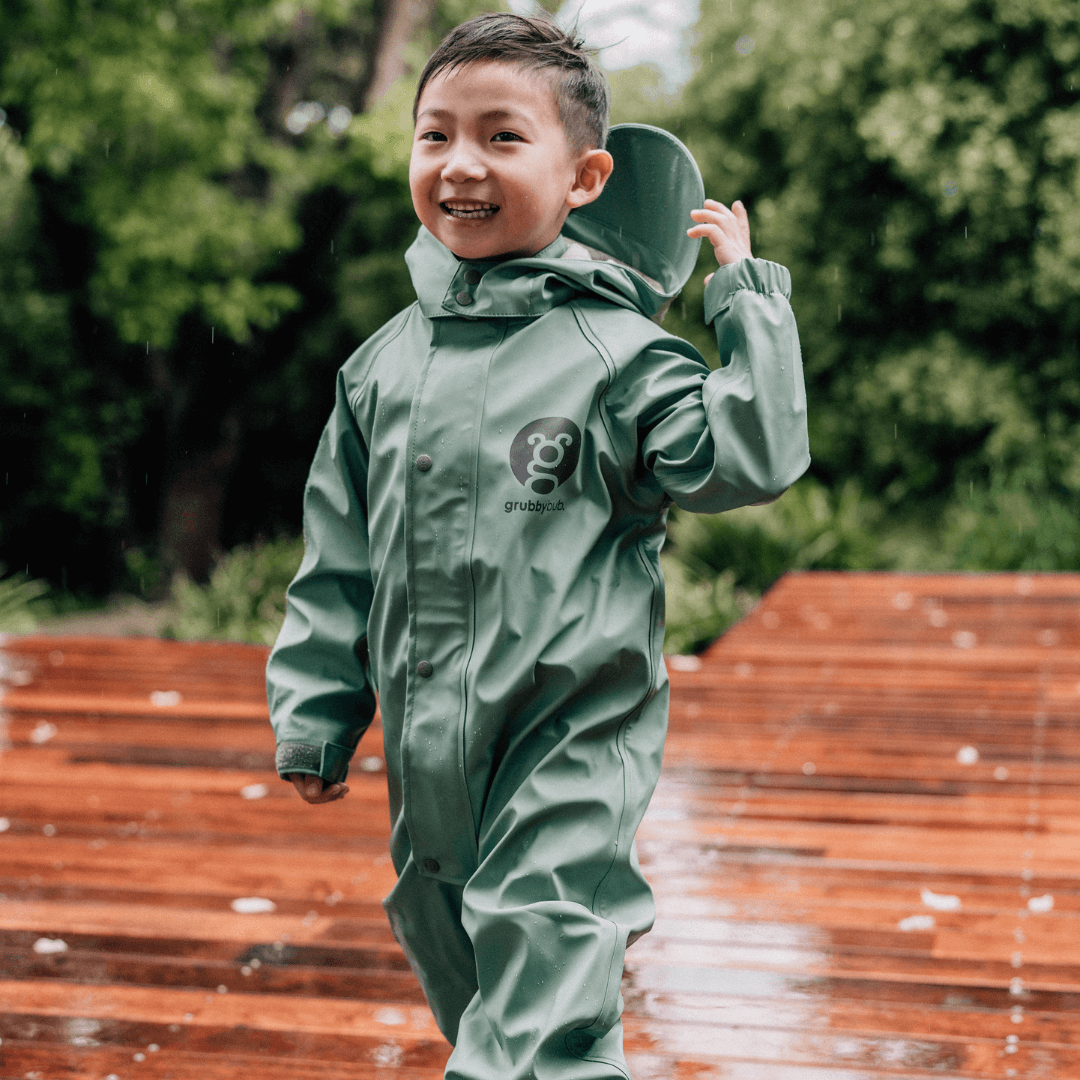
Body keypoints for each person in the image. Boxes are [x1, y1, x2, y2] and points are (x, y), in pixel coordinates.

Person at [266, 12, 809, 1080]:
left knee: (538, 993)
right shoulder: (382, 370)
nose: (461, 164)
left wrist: (746, 299)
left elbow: (748, 457)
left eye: (503, 137)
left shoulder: (621, 357)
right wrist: (319, 709)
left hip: (569, 743)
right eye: (436, 136)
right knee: (467, 971)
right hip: (430, 763)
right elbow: (338, 562)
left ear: (585, 177)